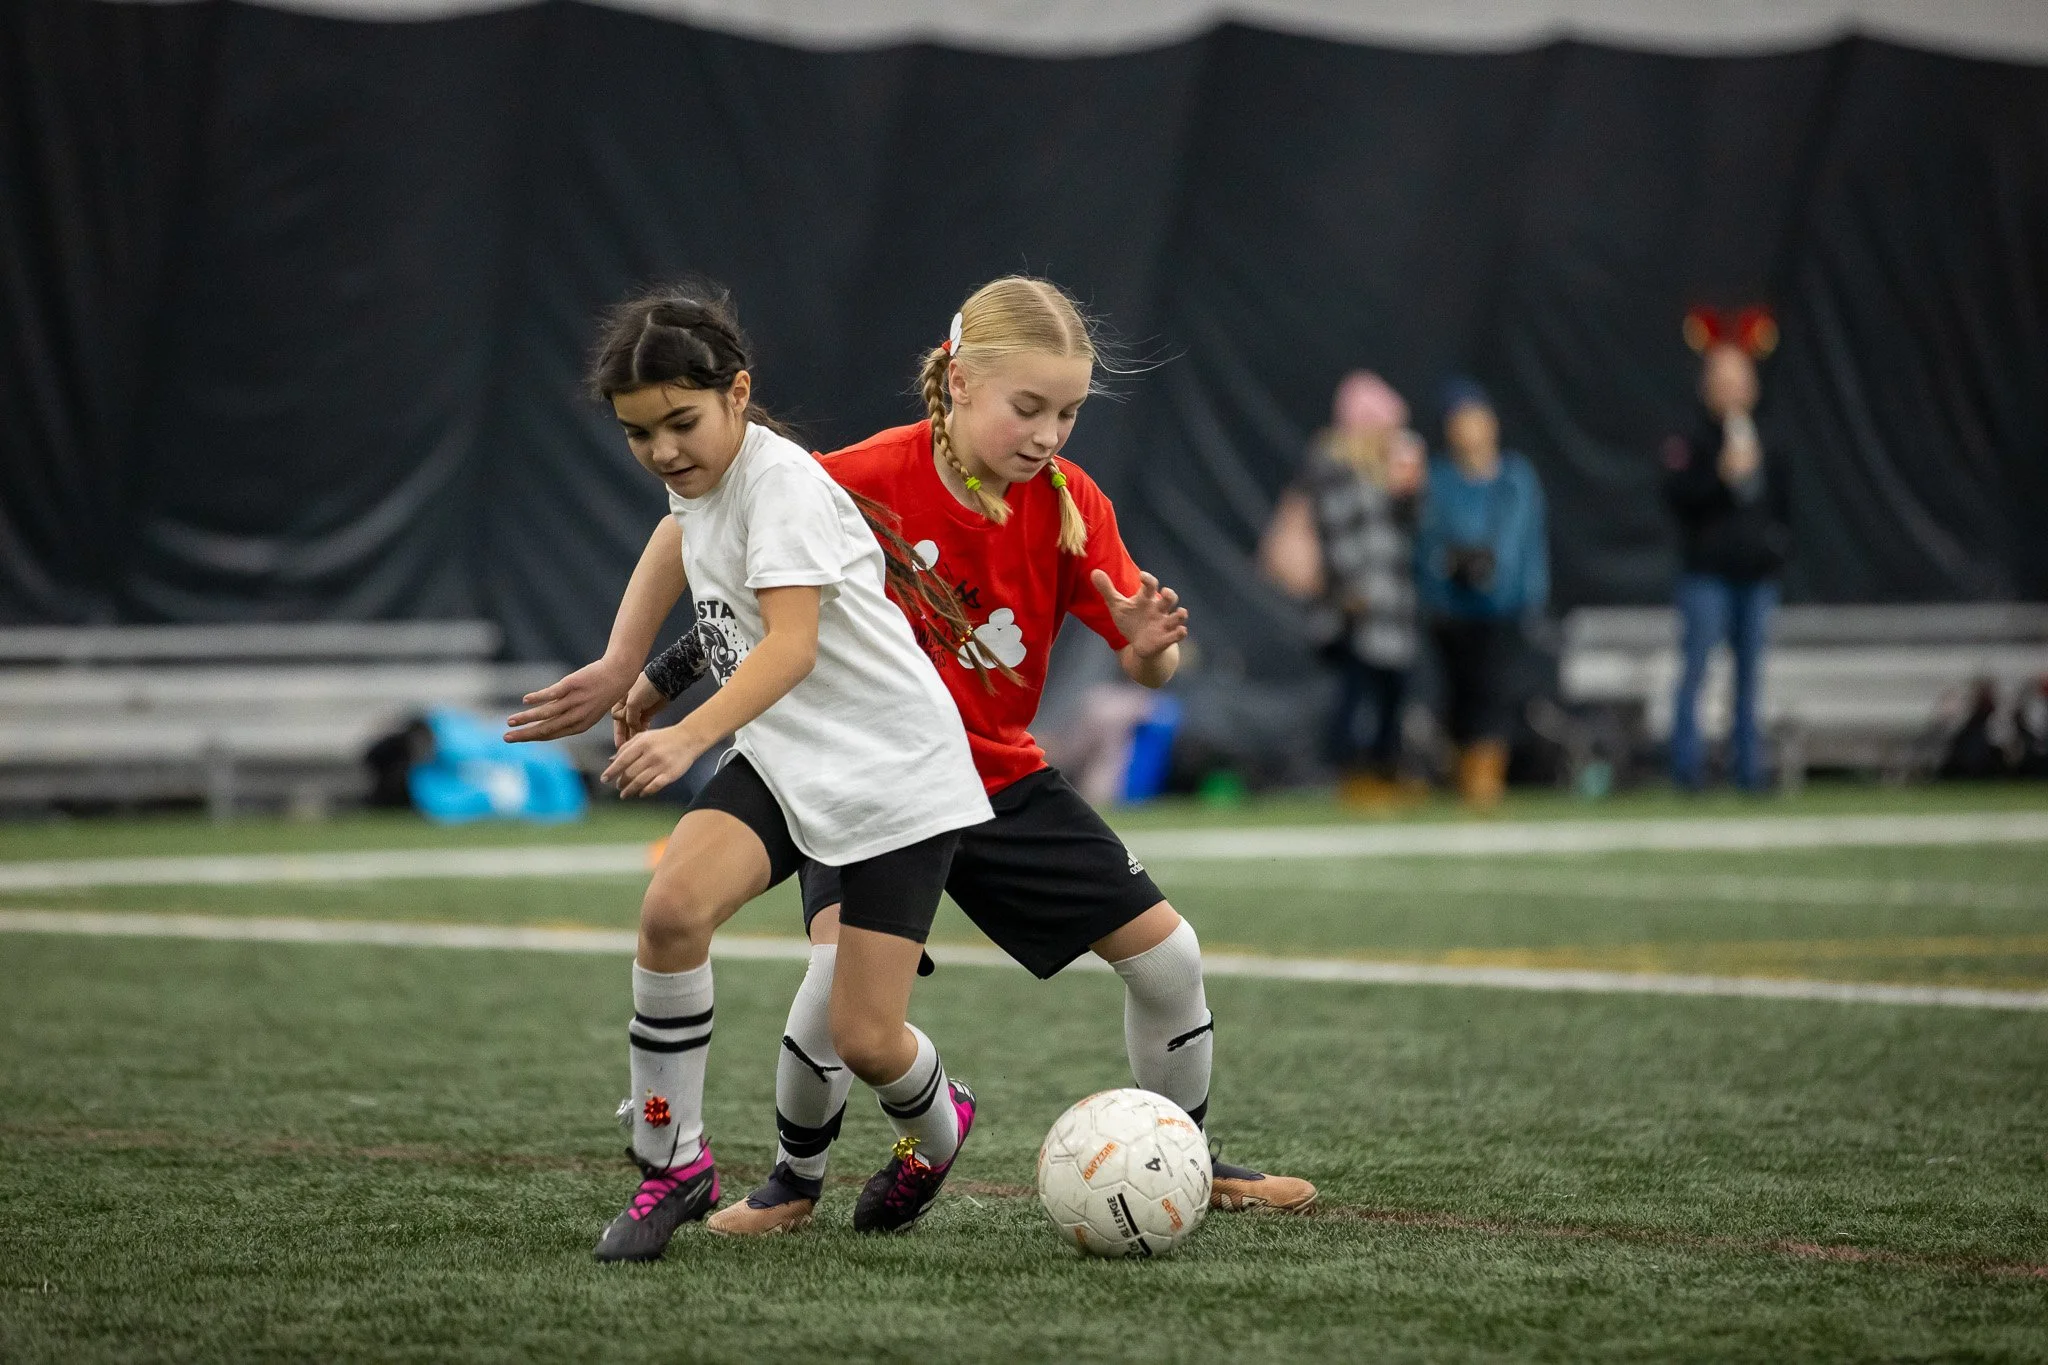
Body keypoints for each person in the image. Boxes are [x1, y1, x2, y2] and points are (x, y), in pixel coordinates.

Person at [612, 276, 1319, 1235]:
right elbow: (743, 577)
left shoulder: (1072, 503)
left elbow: (1152, 666)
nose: (1049, 434)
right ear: (954, 384)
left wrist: (1150, 645)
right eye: (1028, 408)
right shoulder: (857, 476)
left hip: (995, 778)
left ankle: (1183, 1156)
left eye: (1067, 413)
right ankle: (792, 1184)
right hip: (862, 771)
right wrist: (663, 670)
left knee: (1170, 961)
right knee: (837, 1001)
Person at [505, 285, 994, 1261]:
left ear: (738, 393)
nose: (663, 452)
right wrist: (620, 664)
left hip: (895, 776)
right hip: (784, 758)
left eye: (680, 424)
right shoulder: (700, 476)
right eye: (638, 434)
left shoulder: (780, 484)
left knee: (864, 1038)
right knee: (671, 912)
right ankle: (672, 1163)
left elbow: (791, 648)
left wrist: (689, 735)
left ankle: (939, 1128)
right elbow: (674, 530)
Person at [1260, 370, 1424, 804]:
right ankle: (1352, 776)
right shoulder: (1333, 466)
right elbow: (1339, 534)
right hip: (1352, 605)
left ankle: (1384, 772)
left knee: (1392, 692)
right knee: (1355, 693)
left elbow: (1402, 535)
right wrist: (1351, 588)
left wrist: (1408, 494)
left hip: (1393, 604)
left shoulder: (1385, 471)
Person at [1663, 307, 1790, 792]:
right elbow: (1676, 497)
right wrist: (1719, 476)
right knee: (1696, 671)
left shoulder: (1769, 435)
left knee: (1749, 680)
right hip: (1707, 574)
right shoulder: (1692, 437)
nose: (1733, 388)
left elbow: (1784, 504)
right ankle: (1687, 772)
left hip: (1755, 575)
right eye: (1723, 378)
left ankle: (1748, 772)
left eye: (1740, 377)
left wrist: (1777, 550)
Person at [1414, 377, 1548, 808]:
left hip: (1503, 608)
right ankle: (1461, 775)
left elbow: (1516, 545)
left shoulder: (1514, 477)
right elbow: (1430, 541)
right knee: (1459, 696)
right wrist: (1451, 568)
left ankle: (1485, 782)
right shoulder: (1440, 480)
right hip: (1453, 609)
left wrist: (1494, 573)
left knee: (1496, 693)